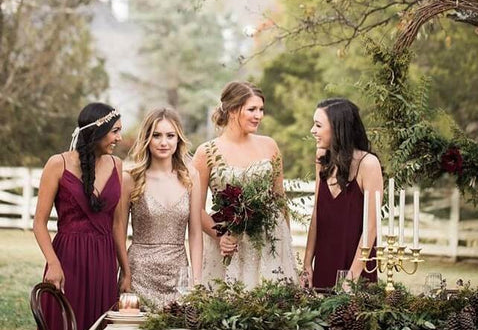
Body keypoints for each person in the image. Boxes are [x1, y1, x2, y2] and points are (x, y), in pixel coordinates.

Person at [193, 81, 297, 288]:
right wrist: (220, 236)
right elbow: (196, 208)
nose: (259, 115)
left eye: (261, 110)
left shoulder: (269, 146)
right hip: (230, 242)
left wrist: (285, 244)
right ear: (232, 110)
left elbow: (279, 198)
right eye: (252, 109)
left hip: (268, 241)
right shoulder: (207, 152)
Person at [33, 102, 123, 330]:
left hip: (104, 260)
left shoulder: (117, 165)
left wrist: (126, 270)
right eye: (115, 131)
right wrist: (53, 264)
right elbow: (39, 222)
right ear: (97, 132)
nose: (119, 138)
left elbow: (116, 225)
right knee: (62, 327)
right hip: (67, 259)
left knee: (99, 328)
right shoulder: (57, 164)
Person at [115, 107, 202, 308]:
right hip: (138, 274)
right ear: (147, 138)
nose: (164, 142)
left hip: (178, 276)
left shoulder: (191, 177)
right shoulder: (130, 179)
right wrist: (125, 272)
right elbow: (118, 231)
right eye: (156, 135)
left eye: (170, 135)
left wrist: (195, 279)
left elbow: (196, 233)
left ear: (178, 139)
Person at [302, 98, 383, 289]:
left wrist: (351, 279)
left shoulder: (369, 164)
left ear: (338, 128)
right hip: (325, 258)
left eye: (318, 125)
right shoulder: (322, 157)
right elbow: (317, 214)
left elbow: (370, 228)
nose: (312, 130)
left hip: (356, 263)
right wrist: (307, 264)